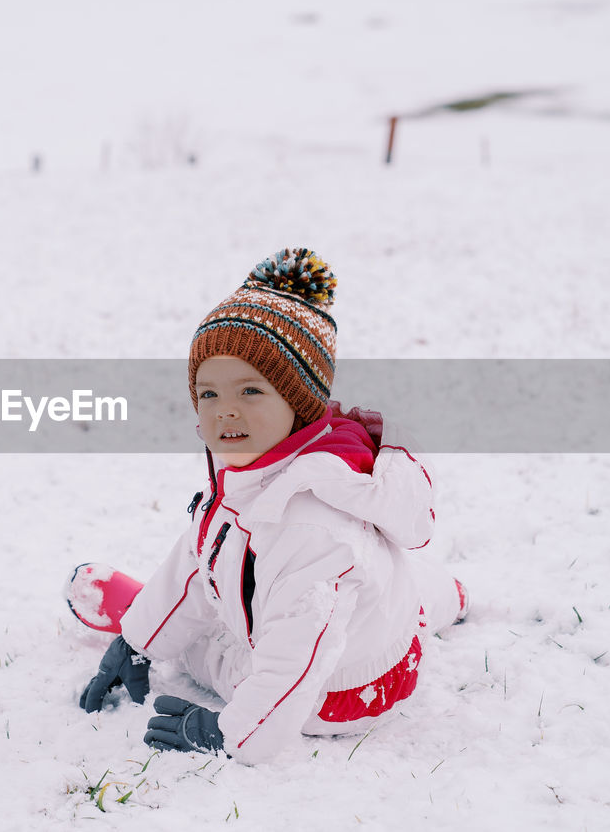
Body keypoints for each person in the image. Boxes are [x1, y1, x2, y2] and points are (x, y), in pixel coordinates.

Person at [73, 249, 468, 765]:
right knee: (398, 592)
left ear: (299, 402)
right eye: (208, 392)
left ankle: (152, 613)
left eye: (251, 390)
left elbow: (291, 669)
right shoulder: (253, 471)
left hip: (336, 692)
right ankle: (450, 595)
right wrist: (138, 642)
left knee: (212, 649)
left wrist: (228, 732)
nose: (225, 409)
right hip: (376, 623)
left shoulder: (313, 529)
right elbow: (202, 554)